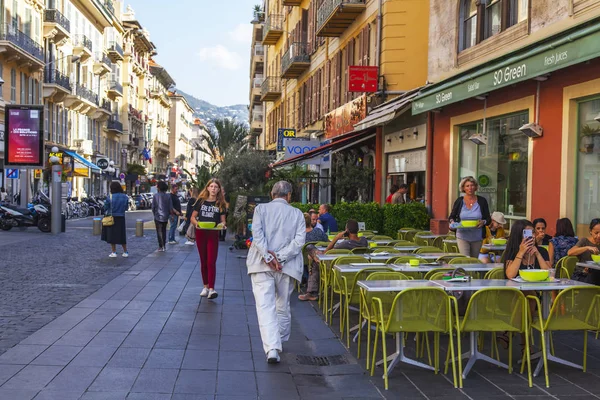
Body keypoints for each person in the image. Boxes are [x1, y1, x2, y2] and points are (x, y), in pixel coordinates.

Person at [247, 181, 305, 363]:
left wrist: (269, 257)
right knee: (282, 304)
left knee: (265, 306)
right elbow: (299, 241)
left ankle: (272, 347)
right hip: (287, 267)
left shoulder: (260, 210)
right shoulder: (297, 214)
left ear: (272, 194)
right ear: (288, 196)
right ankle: (278, 340)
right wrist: (280, 257)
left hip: (261, 265)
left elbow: (257, 235)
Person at [190, 178, 227, 300]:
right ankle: (205, 286)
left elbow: (223, 220)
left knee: (211, 261)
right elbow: (193, 217)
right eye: (211, 186)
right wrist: (197, 224)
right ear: (207, 188)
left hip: (213, 233)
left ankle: (212, 288)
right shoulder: (201, 201)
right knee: (203, 261)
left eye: (216, 187)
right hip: (201, 233)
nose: (213, 189)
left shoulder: (220, 204)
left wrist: (222, 225)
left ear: (219, 190)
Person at [448, 176, 491, 258]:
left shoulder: (482, 201)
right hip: (462, 235)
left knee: (474, 260)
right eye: (467, 186)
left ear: (475, 187)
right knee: (466, 259)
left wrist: (483, 222)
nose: (470, 188)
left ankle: (473, 272)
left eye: (472, 185)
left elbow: (488, 219)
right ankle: (465, 271)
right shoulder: (459, 201)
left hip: (477, 236)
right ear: (463, 188)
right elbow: (451, 217)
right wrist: (452, 223)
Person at [298, 213, 329, 302]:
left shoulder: (299, 236)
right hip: (322, 260)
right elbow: (327, 242)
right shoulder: (318, 232)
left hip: (303, 261)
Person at [567, 218, 600, 284]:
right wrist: (587, 247)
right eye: (596, 233)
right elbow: (570, 252)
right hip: (582, 275)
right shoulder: (584, 241)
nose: (599, 236)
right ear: (590, 231)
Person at [101, 182, 129, 258]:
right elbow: (126, 208)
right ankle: (125, 251)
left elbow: (106, 207)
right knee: (122, 235)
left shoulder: (109, 197)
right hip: (121, 217)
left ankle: (114, 252)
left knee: (112, 235)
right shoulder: (125, 197)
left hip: (112, 217)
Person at [152, 181, 173, 252]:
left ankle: (161, 246)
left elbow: (153, 207)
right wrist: (171, 214)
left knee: (159, 231)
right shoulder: (168, 196)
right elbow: (170, 207)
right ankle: (164, 244)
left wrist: (154, 214)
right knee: (164, 230)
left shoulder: (155, 196)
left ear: (159, 188)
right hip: (166, 215)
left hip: (158, 216)